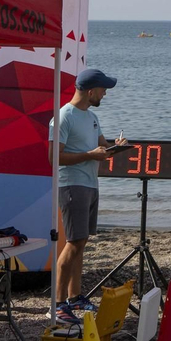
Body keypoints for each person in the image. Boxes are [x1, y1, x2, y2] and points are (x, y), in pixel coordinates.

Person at [50, 68, 122, 326]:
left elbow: (102, 146)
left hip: (91, 184)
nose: (105, 94)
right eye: (103, 90)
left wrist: (116, 148)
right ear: (90, 91)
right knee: (73, 242)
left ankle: (75, 296)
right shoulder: (63, 117)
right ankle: (57, 304)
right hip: (72, 185)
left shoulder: (91, 117)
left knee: (81, 241)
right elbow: (54, 158)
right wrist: (90, 155)